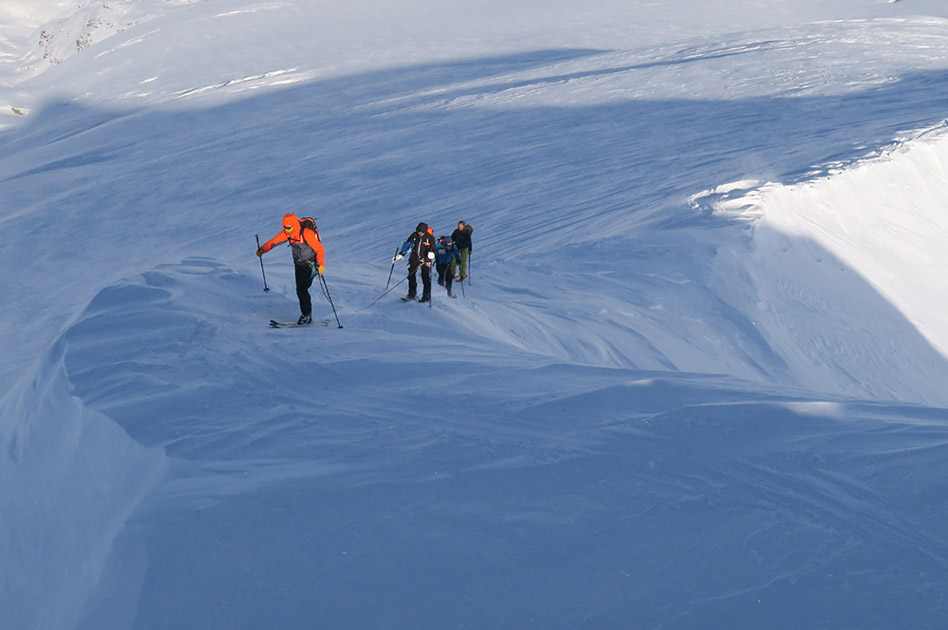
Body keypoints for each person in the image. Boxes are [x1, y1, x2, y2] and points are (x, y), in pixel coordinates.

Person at [257, 213, 325, 324]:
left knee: (302, 289)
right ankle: (306, 314)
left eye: (289, 228)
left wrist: (321, 264)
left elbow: (320, 249)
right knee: (299, 290)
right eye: (285, 227)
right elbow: (274, 241)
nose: (287, 230)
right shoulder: (287, 234)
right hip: (298, 265)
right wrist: (263, 249)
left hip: (310, 264)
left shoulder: (306, 234)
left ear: (294, 225)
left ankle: (307, 316)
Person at [394, 222, 437, 302]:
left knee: (425, 276)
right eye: (419, 231)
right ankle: (412, 294)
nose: (420, 233)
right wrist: (401, 254)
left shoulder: (430, 238)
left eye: (422, 232)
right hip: (415, 256)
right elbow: (407, 245)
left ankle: (426, 296)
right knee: (411, 274)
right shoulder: (414, 235)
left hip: (426, 258)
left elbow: (434, 248)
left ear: (425, 231)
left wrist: (432, 254)